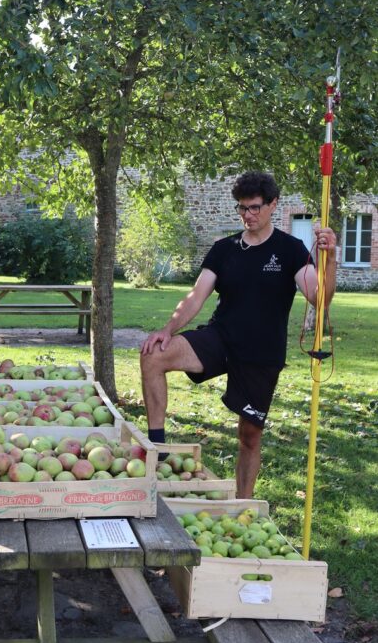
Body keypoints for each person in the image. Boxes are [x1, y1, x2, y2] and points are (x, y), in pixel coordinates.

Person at [140, 171, 337, 499]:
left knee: (249, 437)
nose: (248, 215)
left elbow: (320, 298)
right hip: (221, 339)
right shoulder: (224, 249)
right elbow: (196, 296)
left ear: (273, 204)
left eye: (255, 207)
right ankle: (157, 447)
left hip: (261, 353)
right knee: (153, 354)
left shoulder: (291, 250)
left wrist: (329, 260)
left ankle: (243, 506)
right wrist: (167, 330)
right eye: (242, 208)